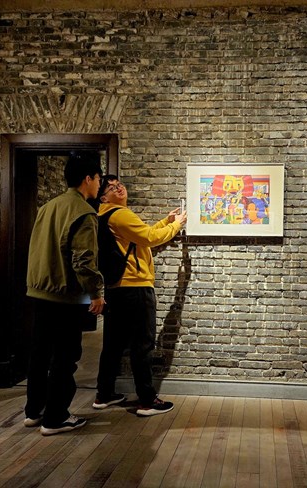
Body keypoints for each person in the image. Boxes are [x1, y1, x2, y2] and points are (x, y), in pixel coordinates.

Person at [24, 154, 105, 436]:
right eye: (98, 179)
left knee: (39, 354)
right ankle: (55, 418)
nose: (99, 185)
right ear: (88, 178)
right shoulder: (83, 212)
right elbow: (84, 261)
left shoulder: (48, 207)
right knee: (65, 357)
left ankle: (34, 412)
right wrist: (96, 293)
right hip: (64, 296)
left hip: (39, 292)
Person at [93, 175, 187, 416]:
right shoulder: (120, 214)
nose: (119, 188)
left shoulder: (105, 215)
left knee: (113, 344)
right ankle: (147, 400)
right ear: (103, 197)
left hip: (117, 288)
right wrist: (176, 226)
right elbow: (149, 238)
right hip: (135, 286)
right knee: (142, 344)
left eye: (119, 184)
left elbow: (141, 236)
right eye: (111, 188)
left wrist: (165, 221)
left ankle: (104, 394)